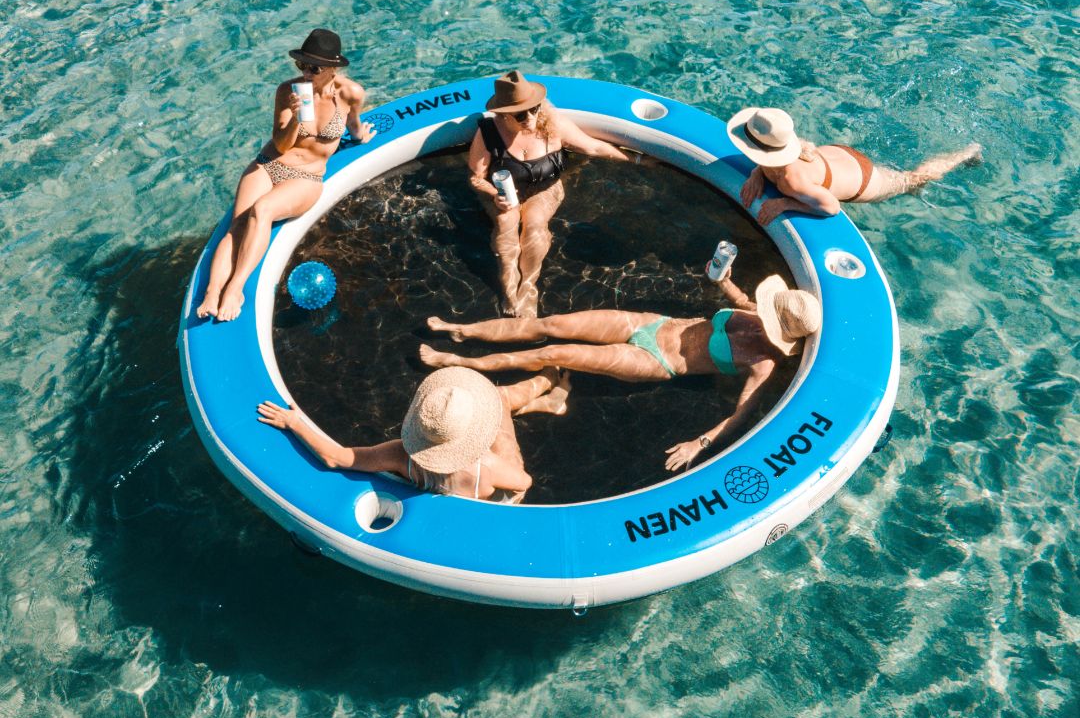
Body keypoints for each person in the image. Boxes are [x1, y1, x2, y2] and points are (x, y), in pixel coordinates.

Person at [420, 270, 821, 472]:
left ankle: (464, 362)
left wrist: (699, 444)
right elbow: (743, 300)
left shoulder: (763, 364)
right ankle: (464, 330)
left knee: (556, 352)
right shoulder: (755, 314)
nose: (762, 312)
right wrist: (724, 281)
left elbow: (741, 413)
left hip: (655, 363)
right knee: (552, 324)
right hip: (650, 323)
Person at [197, 29, 375, 322]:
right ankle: (213, 292)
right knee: (237, 226)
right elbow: (281, 144)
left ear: (333, 68)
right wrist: (294, 117)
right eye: (301, 65)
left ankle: (235, 289)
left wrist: (360, 136)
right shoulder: (289, 91)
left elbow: (354, 124)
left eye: (314, 68)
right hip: (271, 163)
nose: (306, 72)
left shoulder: (350, 93)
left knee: (262, 210)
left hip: (305, 177)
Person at [257, 366, 572, 503]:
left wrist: (295, 423)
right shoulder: (486, 467)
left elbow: (335, 457)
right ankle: (548, 383)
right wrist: (499, 457)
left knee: (500, 400)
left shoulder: (399, 455)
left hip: (444, 486)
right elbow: (524, 482)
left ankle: (543, 392)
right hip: (493, 481)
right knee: (499, 399)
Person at [469, 70, 629, 319]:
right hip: (506, 193)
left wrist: (637, 160)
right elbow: (476, 177)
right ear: (504, 113)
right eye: (520, 114)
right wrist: (493, 194)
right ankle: (509, 286)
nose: (529, 117)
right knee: (505, 224)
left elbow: (593, 146)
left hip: (546, 187)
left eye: (534, 109)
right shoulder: (489, 132)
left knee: (533, 227)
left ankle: (528, 286)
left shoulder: (552, 123)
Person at [730, 107, 982, 226]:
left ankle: (967, 153)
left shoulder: (791, 182)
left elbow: (831, 207)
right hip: (835, 157)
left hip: (863, 180)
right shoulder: (784, 155)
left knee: (913, 181)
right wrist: (756, 173)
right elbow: (774, 163)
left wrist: (784, 203)